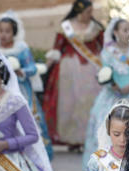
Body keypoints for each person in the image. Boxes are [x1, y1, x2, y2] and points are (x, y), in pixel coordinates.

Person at [0, 11, 53, 160]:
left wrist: (21, 71)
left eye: (7, 31)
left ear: (14, 32)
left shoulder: (21, 48)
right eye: (0, 31)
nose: (3, 35)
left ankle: (35, 157)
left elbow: (32, 68)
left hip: (20, 91)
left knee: (28, 121)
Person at [82, 17, 129, 166]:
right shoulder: (107, 52)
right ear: (115, 32)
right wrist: (111, 86)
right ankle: (105, 165)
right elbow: (104, 73)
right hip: (112, 95)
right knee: (104, 124)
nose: (127, 33)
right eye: (124, 30)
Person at [42, 0, 104, 152]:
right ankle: (72, 140)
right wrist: (45, 67)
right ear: (79, 12)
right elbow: (56, 49)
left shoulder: (96, 28)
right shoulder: (66, 27)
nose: (90, 14)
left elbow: (104, 49)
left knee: (89, 104)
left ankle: (89, 139)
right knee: (69, 105)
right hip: (68, 73)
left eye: (91, 11)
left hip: (92, 73)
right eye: (88, 11)